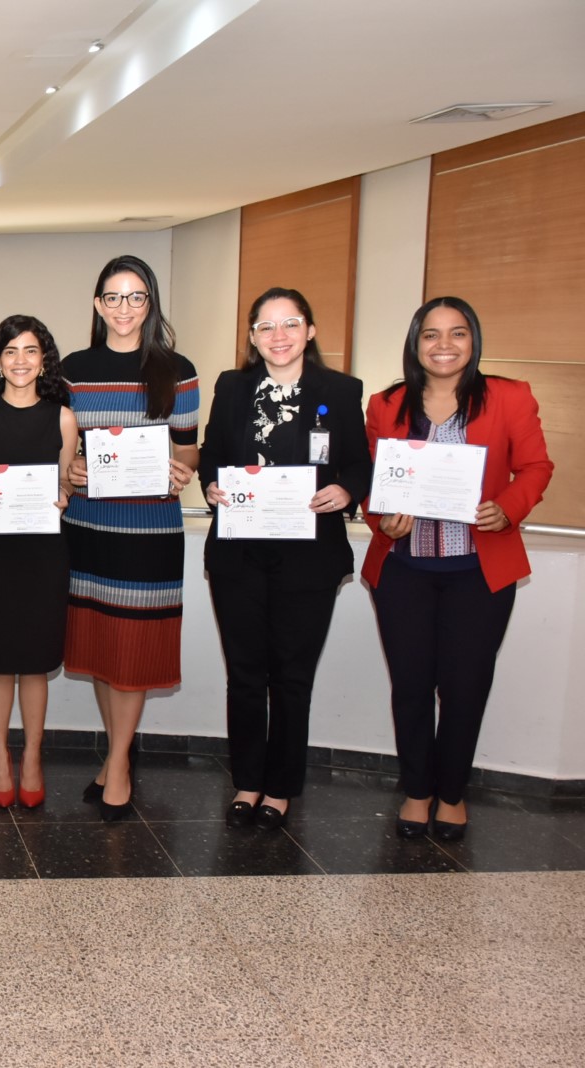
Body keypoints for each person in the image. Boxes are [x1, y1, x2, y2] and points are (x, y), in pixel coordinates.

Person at [362, 297, 552, 841]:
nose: (444, 345)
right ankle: (417, 792)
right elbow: (378, 485)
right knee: (412, 685)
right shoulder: (386, 404)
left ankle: (452, 794)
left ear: (474, 341)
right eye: (431, 334)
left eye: (458, 333)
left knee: (465, 686)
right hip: (405, 569)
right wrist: (384, 522)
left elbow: (537, 466)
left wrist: (508, 508)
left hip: (478, 570)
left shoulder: (509, 397)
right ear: (415, 343)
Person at [199, 289, 371, 831]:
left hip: (308, 558)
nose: (278, 336)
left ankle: (281, 789)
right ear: (251, 337)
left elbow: (359, 464)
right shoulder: (232, 387)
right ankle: (248, 783)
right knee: (246, 674)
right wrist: (210, 485)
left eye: (290, 324)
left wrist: (346, 491)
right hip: (240, 553)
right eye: (266, 327)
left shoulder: (340, 391)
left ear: (310, 330)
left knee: (292, 677)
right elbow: (212, 453)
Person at [62, 254, 199, 821]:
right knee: (100, 647)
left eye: (135, 297)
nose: (124, 308)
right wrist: (69, 468)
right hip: (89, 530)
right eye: (113, 298)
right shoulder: (72, 369)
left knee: (134, 652)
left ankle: (118, 761)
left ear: (150, 304)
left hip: (149, 531)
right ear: (98, 305)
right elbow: (62, 448)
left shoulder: (179, 370)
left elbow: (188, 450)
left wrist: (180, 468)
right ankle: (113, 756)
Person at [0, 315, 78, 809]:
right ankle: (1, 758)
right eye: (11, 351)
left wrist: (65, 494)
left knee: (37, 664)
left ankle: (32, 758)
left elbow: (66, 482)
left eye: (30, 351)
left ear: (43, 359)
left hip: (44, 555)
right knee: (0, 663)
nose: (21, 361)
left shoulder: (63, 417)